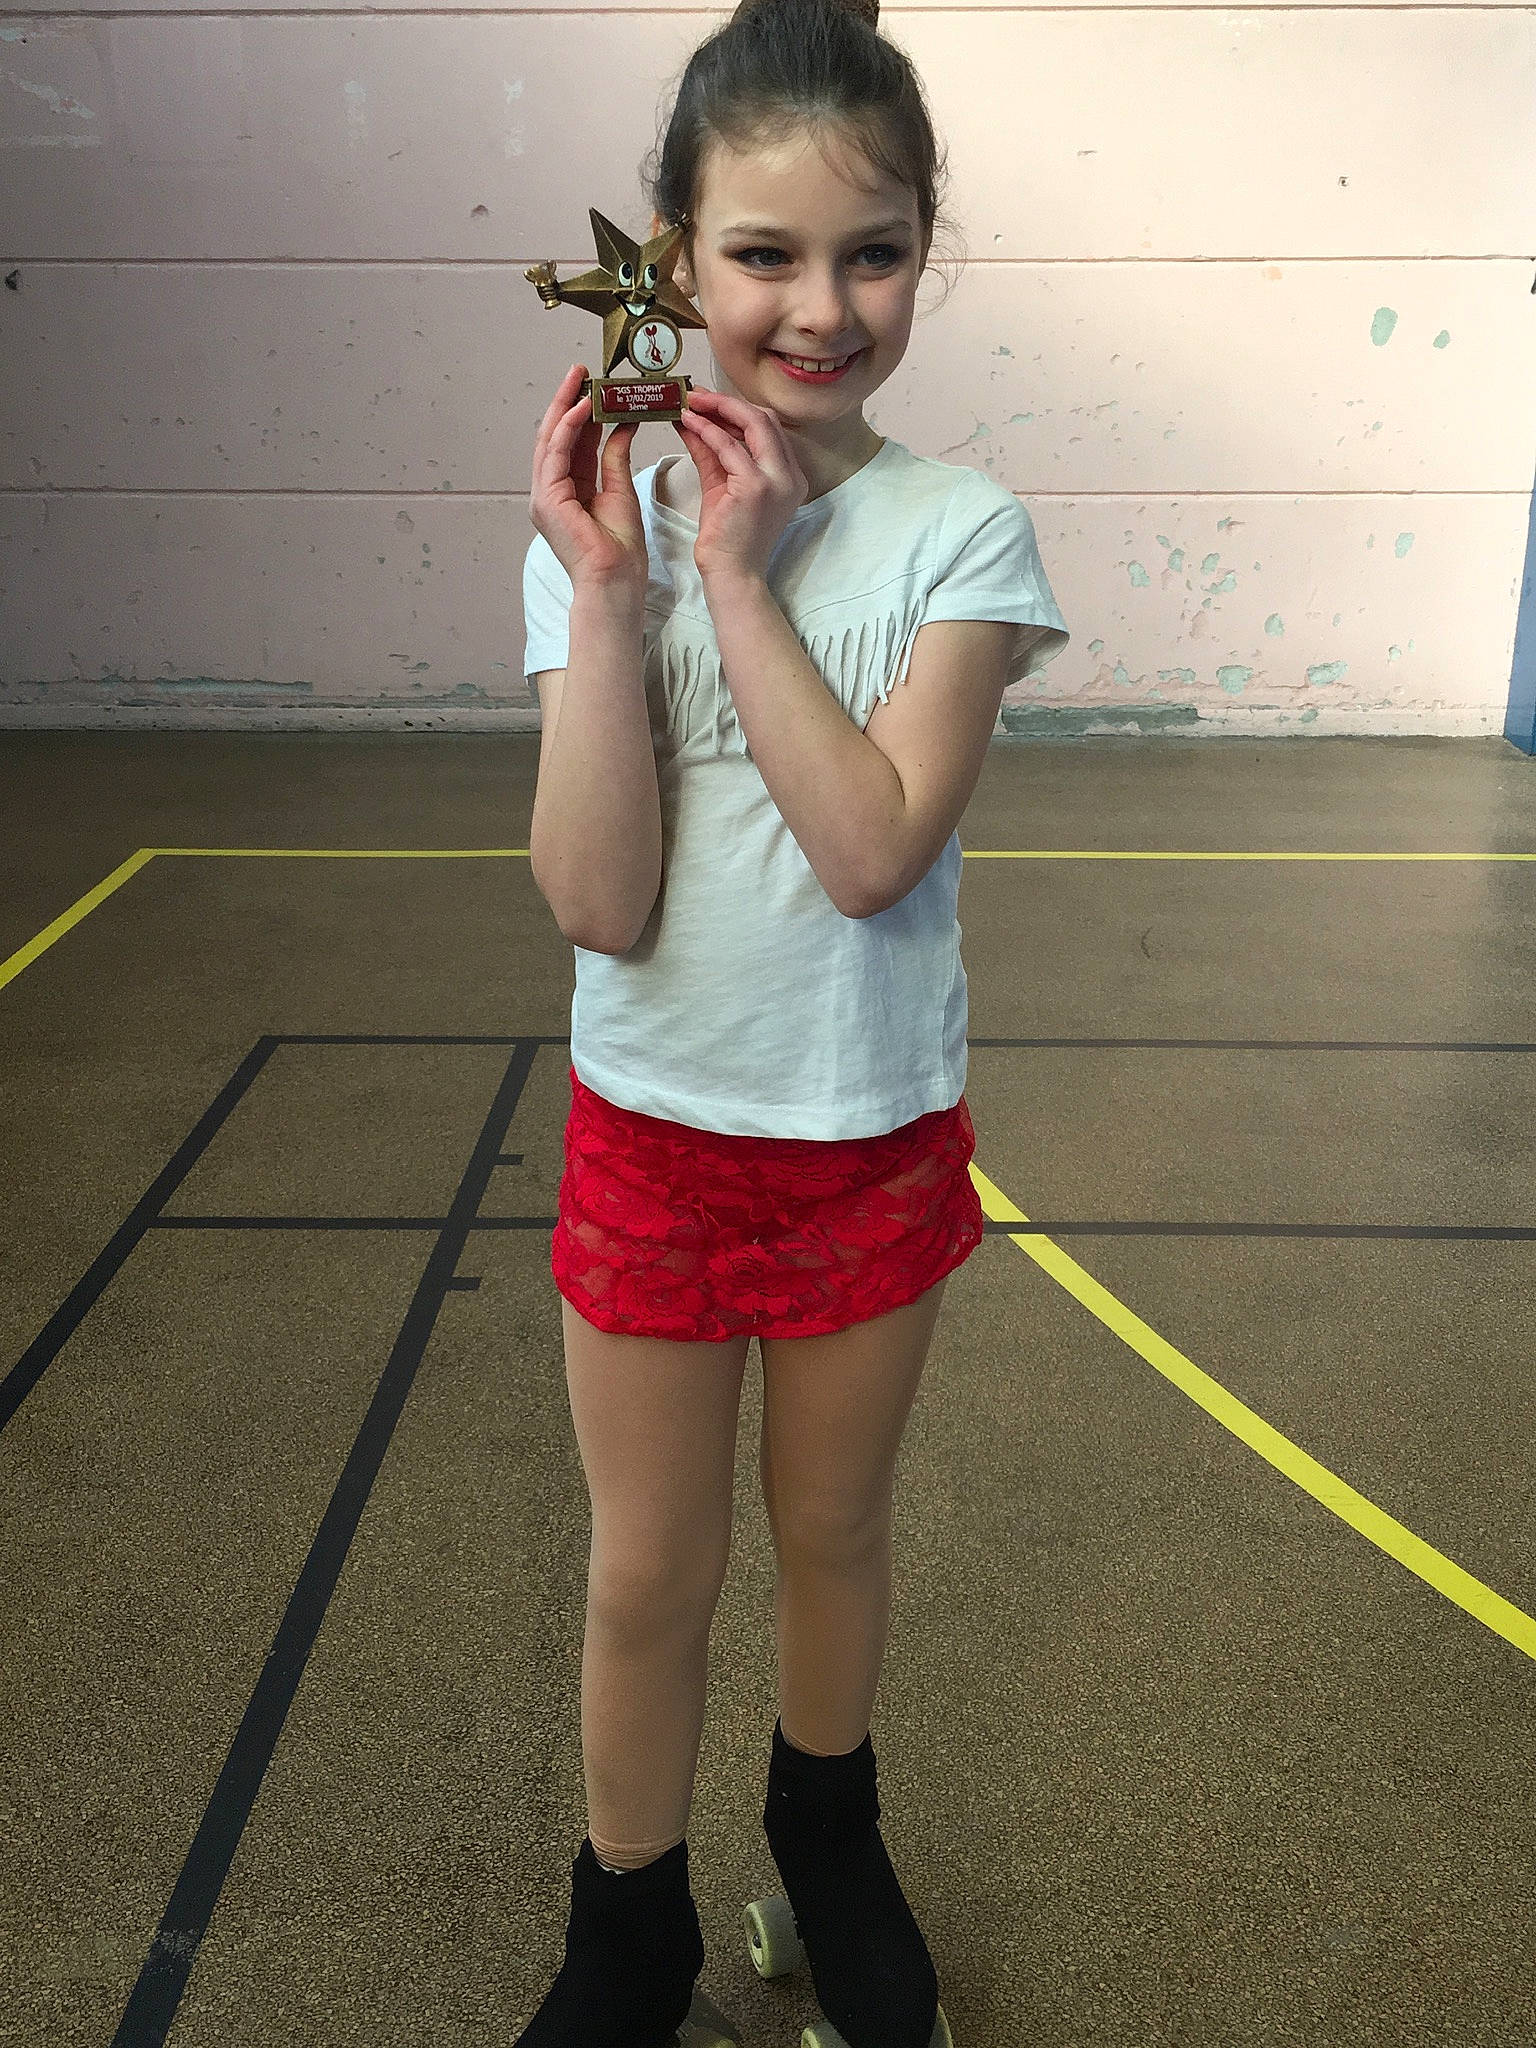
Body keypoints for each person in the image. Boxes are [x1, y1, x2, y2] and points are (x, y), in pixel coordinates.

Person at [515, 0, 1069, 2038]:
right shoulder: (598, 534)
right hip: (653, 1129)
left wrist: (738, 578)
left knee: (833, 1527)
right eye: (761, 254)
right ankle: (625, 1921)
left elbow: (869, 851)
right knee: (644, 1572)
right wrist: (608, 592)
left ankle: (826, 1842)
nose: (818, 306)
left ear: (930, 249)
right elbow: (597, 899)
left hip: (864, 1135)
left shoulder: (959, 537)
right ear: (671, 260)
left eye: (874, 250)